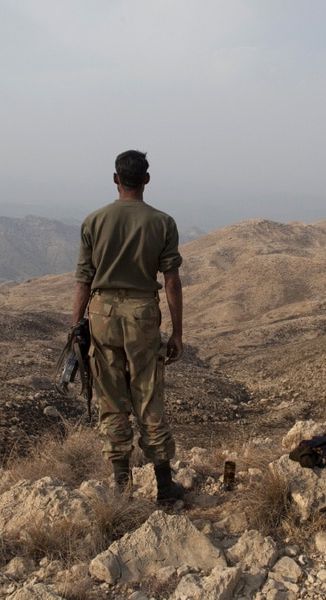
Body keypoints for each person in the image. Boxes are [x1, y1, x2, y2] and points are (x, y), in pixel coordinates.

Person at [72, 150, 185, 504]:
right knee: (149, 397)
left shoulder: (94, 221)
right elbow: (170, 281)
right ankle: (165, 489)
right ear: (147, 180)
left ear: (115, 179)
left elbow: (83, 280)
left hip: (102, 315)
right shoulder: (162, 223)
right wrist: (178, 332)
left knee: (112, 400)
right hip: (142, 317)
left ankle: (122, 487)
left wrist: (77, 326)